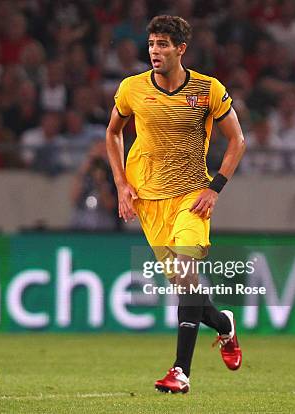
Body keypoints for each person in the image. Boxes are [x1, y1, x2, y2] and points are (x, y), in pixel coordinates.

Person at [106, 15, 246, 394]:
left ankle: (180, 372)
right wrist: (121, 183)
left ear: (181, 49)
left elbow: (238, 141)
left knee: (186, 273)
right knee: (187, 288)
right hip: (150, 201)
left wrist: (215, 188)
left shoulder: (207, 89)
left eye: (164, 44)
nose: (155, 50)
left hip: (192, 197)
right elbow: (113, 132)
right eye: (152, 43)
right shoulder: (132, 89)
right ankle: (224, 325)